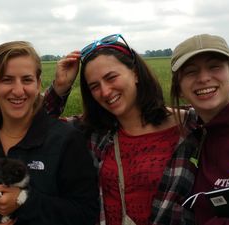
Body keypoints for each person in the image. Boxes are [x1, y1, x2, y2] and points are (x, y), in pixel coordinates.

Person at [43, 34, 189, 225]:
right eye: (94, 86)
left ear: (135, 73)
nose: (105, 91)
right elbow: (37, 128)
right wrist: (60, 88)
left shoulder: (190, 126)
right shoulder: (94, 132)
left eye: (111, 77)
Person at [0, 41, 99, 225]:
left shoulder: (66, 140)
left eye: (27, 80)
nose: (18, 90)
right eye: (7, 79)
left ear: (38, 85)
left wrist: (25, 202)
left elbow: (86, 212)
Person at [150, 34, 229, 225]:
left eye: (214, 66)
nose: (203, 78)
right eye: (191, 72)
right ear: (179, 90)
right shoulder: (195, 133)